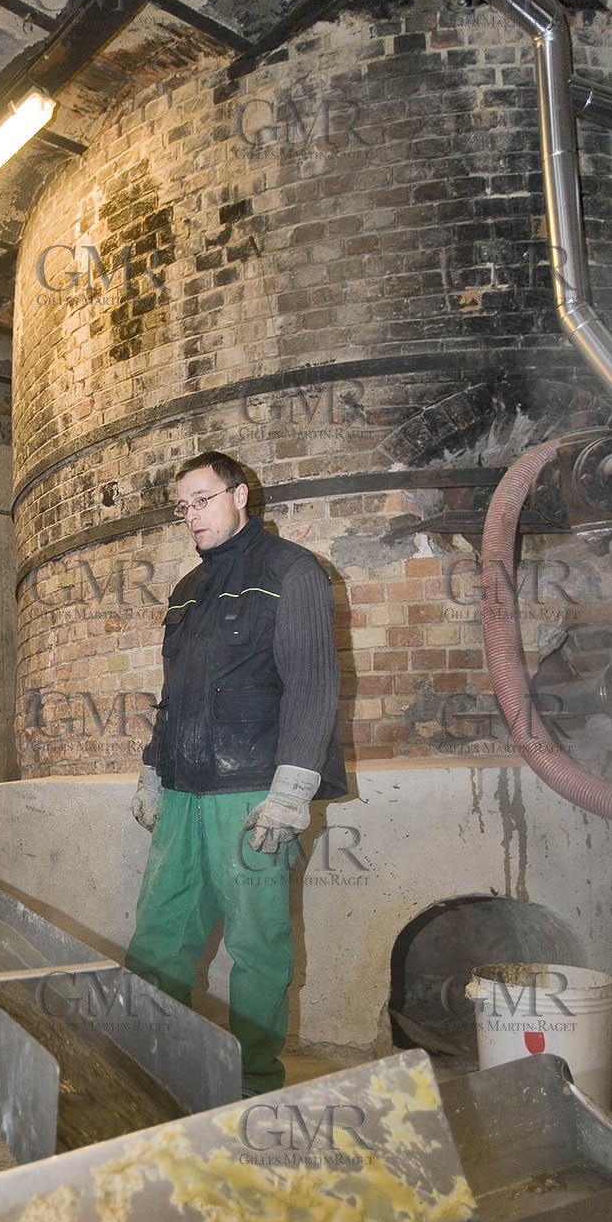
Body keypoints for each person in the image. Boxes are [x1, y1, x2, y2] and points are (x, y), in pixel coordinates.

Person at [125, 451, 346, 1097]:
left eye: (201, 499)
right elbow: (176, 692)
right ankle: (152, 1063)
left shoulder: (292, 572)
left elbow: (312, 685)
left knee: (257, 947)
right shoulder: (186, 592)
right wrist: (152, 771)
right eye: (182, 506)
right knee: (159, 932)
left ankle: (253, 1082)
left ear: (239, 494)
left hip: (251, 790)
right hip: (184, 791)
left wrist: (291, 792)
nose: (190, 515)